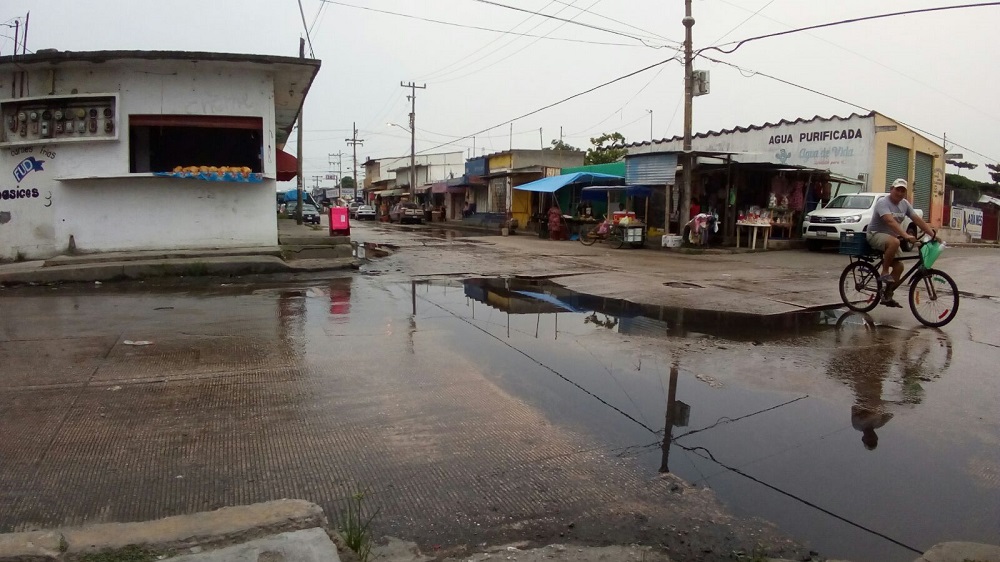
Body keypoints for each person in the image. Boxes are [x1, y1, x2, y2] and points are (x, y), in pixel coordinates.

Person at [866, 178, 937, 307]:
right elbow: (889, 221)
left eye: (902, 190)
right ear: (891, 189)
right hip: (875, 234)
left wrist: (933, 235)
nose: (899, 193)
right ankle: (885, 271)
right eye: (897, 189)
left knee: (899, 267)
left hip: (891, 239)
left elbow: (917, 220)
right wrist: (905, 235)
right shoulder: (883, 202)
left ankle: (887, 295)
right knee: (895, 242)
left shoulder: (905, 204)